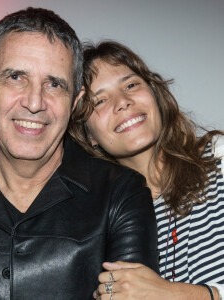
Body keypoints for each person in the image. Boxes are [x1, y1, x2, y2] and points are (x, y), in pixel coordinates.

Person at [0, 9, 159, 299]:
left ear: (75, 102)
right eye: (16, 77)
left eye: (54, 84)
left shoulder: (122, 193)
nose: (35, 102)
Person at [68, 40, 224, 299]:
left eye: (131, 85)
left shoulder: (218, 158)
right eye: (100, 101)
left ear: (154, 95)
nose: (123, 102)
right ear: (89, 135)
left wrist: (187, 295)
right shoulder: (101, 225)